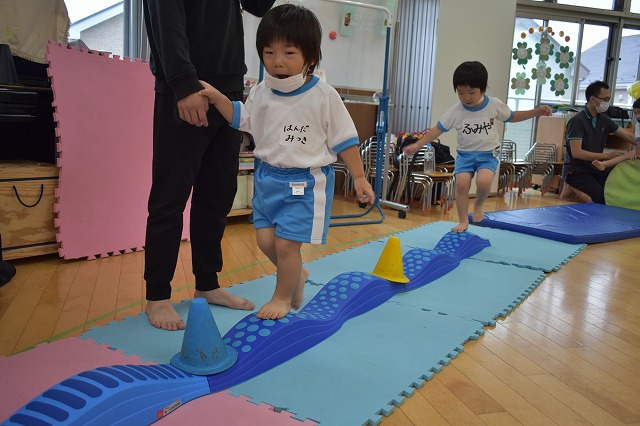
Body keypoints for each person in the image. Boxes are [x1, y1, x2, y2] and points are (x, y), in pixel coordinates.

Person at [198, 4, 376, 320]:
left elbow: (346, 140)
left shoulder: (324, 95)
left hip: (305, 183)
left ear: (310, 57)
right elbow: (243, 119)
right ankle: (297, 274)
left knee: (286, 246)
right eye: (269, 53)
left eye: (289, 53)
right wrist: (218, 98)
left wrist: (360, 177)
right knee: (266, 240)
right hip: (267, 179)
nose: (277, 61)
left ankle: (282, 296)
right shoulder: (262, 92)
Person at [142, 0, 275, 331]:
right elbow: (165, 16)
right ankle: (157, 295)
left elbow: (258, 6)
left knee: (217, 195)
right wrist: (183, 83)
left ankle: (207, 283)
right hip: (188, 87)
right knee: (170, 198)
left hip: (229, 88)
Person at [404, 61, 551, 232]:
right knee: (461, 185)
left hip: (488, 155)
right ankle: (463, 221)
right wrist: (417, 145)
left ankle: (479, 204)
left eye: (472, 92)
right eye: (461, 93)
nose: (466, 97)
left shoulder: (493, 105)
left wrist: (536, 112)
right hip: (465, 156)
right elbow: (437, 129)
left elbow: (512, 116)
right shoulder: (456, 111)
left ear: (482, 88)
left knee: (484, 182)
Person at [560, 81, 637, 204]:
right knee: (599, 200)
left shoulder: (604, 120)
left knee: (614, 191)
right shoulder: (577, 121)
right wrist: (607, 155)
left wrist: (638, 142)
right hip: (576, 170)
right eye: (605, 99)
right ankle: (569, 184)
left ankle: (569, 188)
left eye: (609, 99)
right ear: (593, 99)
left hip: (594, 168)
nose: (607, 103)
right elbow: (577, 153)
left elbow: (627, 135)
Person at [591, 97, 639, 171]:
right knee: (629, 154)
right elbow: (638, 139)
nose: (637, 116)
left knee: (632, 153)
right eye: (635, 113)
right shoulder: (638, 124)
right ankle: (604, 164)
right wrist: (638, 154)